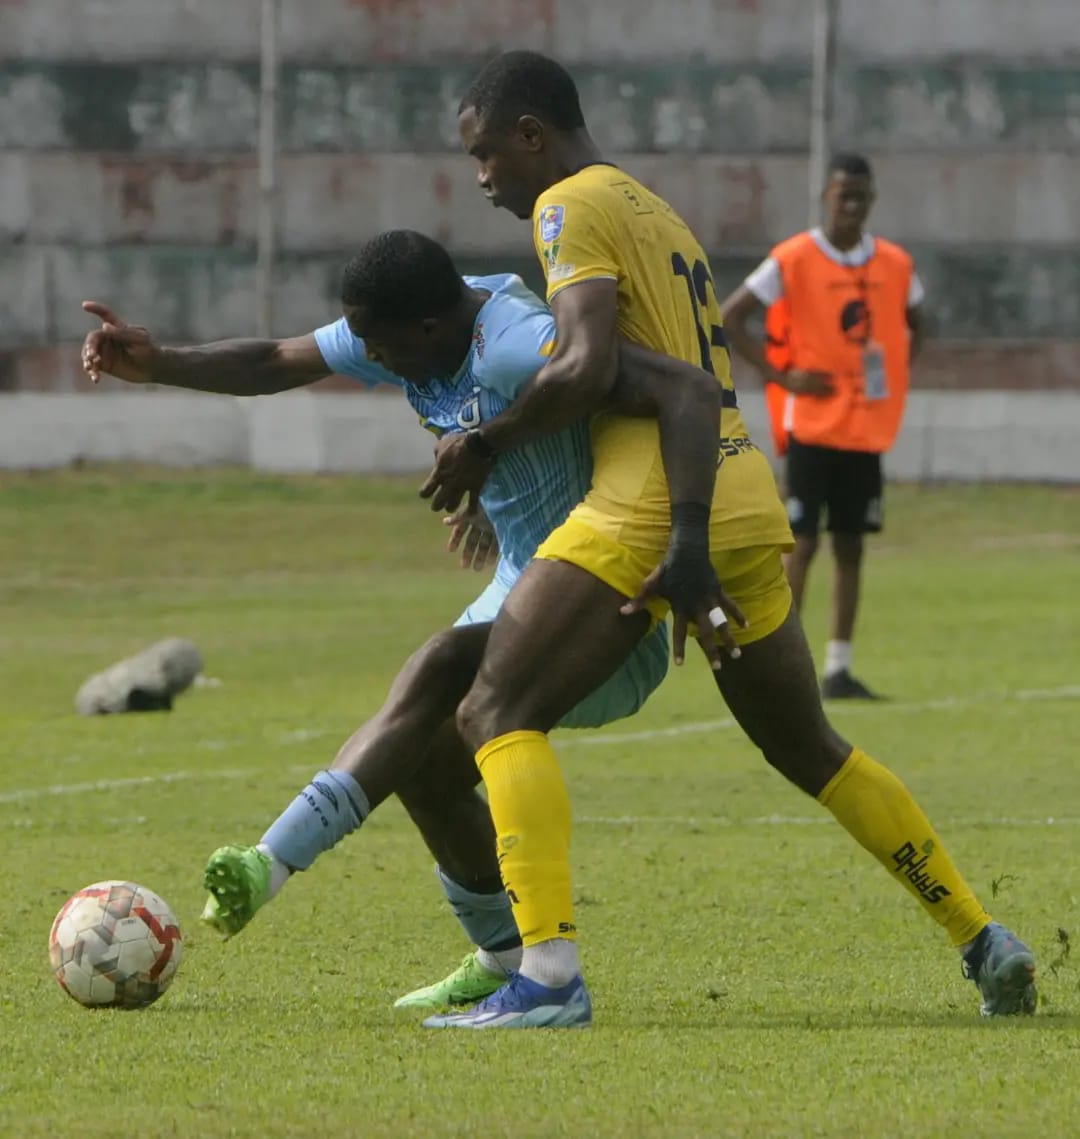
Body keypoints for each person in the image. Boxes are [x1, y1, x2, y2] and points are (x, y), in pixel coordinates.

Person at [417, 51, 1035, 1028]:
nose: (483, 176)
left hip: (654, 497)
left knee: (492, 709)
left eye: (486, 153)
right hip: (741, 485)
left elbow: (580, 369)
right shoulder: (653, 207)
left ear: (530, 135)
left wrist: (484, 442)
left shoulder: (566, 206)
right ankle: (980, 933)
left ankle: (545, 977)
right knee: (811, 746)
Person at [78, 229, 718, 1011]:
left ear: (429, 328)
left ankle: (267, 863)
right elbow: (277, 361)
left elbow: (660, 390)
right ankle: (503, 954)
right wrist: (159, 365)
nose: (372, 361)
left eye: (382, 349)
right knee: (423, 756)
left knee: (440, 661)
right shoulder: (405, 322)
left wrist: (689, 543)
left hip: (611, 611)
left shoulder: (517, 344)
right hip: (521, 591)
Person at [721, 154, 926, 700]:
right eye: (844, 196)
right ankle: (784, 665)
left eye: (862, 197)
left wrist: (897, 367)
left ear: (872, 200)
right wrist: (781, 377)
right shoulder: (792, 258)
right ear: (825, 198)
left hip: (865, 430)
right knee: (803, 542)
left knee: (852, 545)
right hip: (812, 425)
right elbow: (730, 315)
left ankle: (839, 668)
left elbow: (918, 318)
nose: (853, 207)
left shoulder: (894, 264)